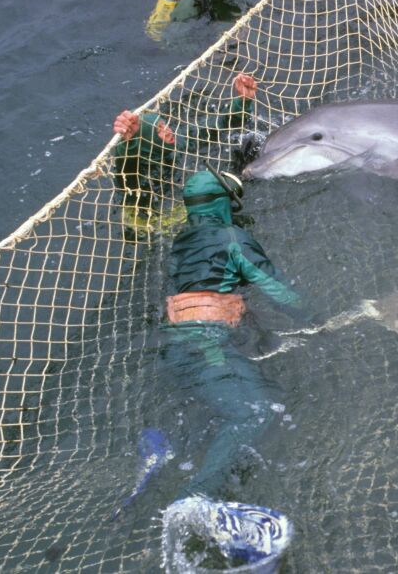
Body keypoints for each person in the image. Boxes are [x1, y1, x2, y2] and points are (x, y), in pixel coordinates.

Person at [147, 167, 303, 502]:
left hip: (174, 348)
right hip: (208, 345)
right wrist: (318, 317)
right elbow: (277, 289)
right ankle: (197, 497)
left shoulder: (181, 242)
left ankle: (172, 451)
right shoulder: (233, 239)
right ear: (225, 204)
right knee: (258, 411)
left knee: (222, 405)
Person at [111, 73, 258, 235]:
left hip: (179, 208)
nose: (167, 130)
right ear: (146, 141)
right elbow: (124, 162)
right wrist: (127, 142)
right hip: (146, 224)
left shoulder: (178, 142)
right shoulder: (137, 171)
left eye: (163, 124)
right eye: (158, 130)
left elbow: (220, 124)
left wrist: (243, 102)